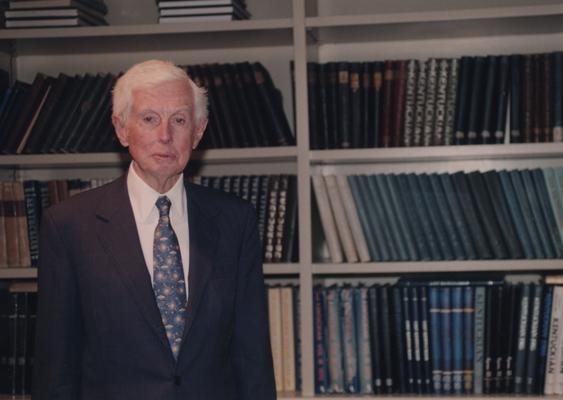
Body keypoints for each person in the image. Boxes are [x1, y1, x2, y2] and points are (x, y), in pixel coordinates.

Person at [32, 59, 276, 400]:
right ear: (121, 128)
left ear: (199, 131)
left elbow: (253, 359)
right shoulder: (68, 226)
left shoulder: (236, 221)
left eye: (179, 120)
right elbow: (56, 367)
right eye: (150, 119)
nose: (165, 135)